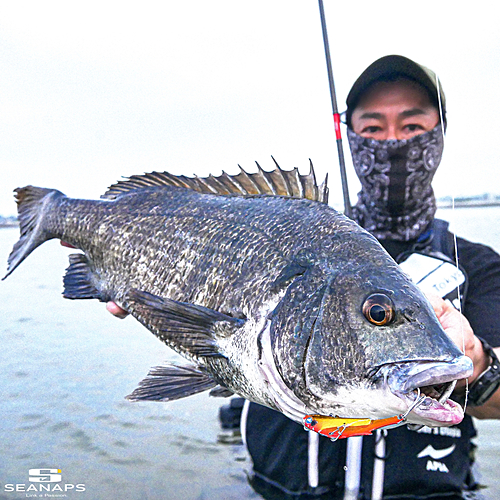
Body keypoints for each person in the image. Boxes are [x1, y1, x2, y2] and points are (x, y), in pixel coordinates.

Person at [101, 55, 500, 499]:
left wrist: (478, 364)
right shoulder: (305, 238)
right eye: (372, 127)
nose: (393, 141)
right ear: (349, 136)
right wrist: (127, 271)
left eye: (411, 125)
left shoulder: (480, 266)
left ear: (440, 133)